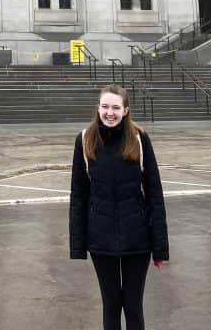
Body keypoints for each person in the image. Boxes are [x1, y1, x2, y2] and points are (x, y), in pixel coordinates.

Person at [69, 84, 169, 330]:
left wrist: (159, 248)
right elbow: (79, 196)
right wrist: (78, 245)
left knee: (133, 307)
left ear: (126, 110)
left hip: (137, 240)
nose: (109, 112)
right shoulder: (84, 140)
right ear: (98, 108)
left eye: (115, 107)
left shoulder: (139, 139)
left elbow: (154, 194)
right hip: (101, 240)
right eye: (105, 106)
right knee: (111, 305)